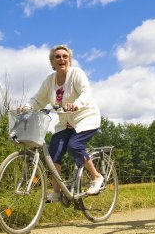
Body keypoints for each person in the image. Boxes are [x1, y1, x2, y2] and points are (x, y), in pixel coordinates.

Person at [24, 44, 104, 202]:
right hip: (65, 123)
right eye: (57, 57)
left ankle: (96, 177)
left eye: (65, 56)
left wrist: (76, 104)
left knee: (74, 146)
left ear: (70, 60)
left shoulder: (76, 74)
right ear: (52, 63)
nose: (62, 59)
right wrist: (27, 107)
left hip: (85, 117)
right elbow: (38, 100)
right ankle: (57, 192)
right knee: (54, 152)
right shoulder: (49, 81)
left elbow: (86, 93)